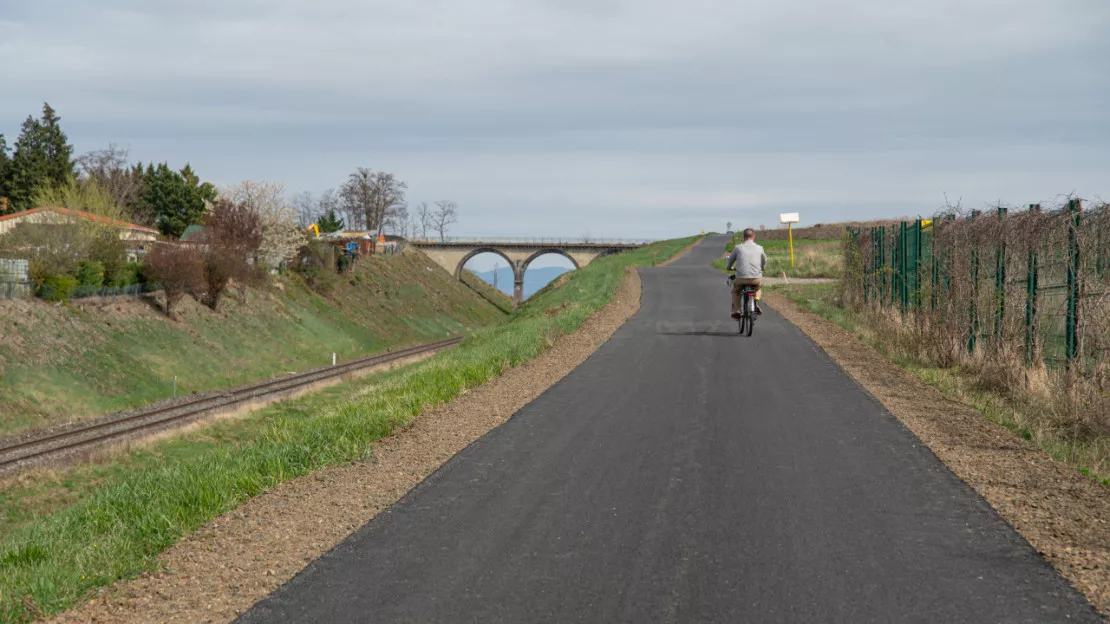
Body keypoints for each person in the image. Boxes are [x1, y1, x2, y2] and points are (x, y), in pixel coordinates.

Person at [725, 228, 766, 317]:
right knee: (758, 288)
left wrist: (729, 267)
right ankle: (755, 301)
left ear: (744, 237)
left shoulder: (737, 248)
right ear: (753, 237)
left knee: (735, 291)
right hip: (756, 278)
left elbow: (730, 261)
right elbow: (764, 261)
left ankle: (737, 310)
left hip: (741, 278)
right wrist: (762, 268)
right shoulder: (760, 248)